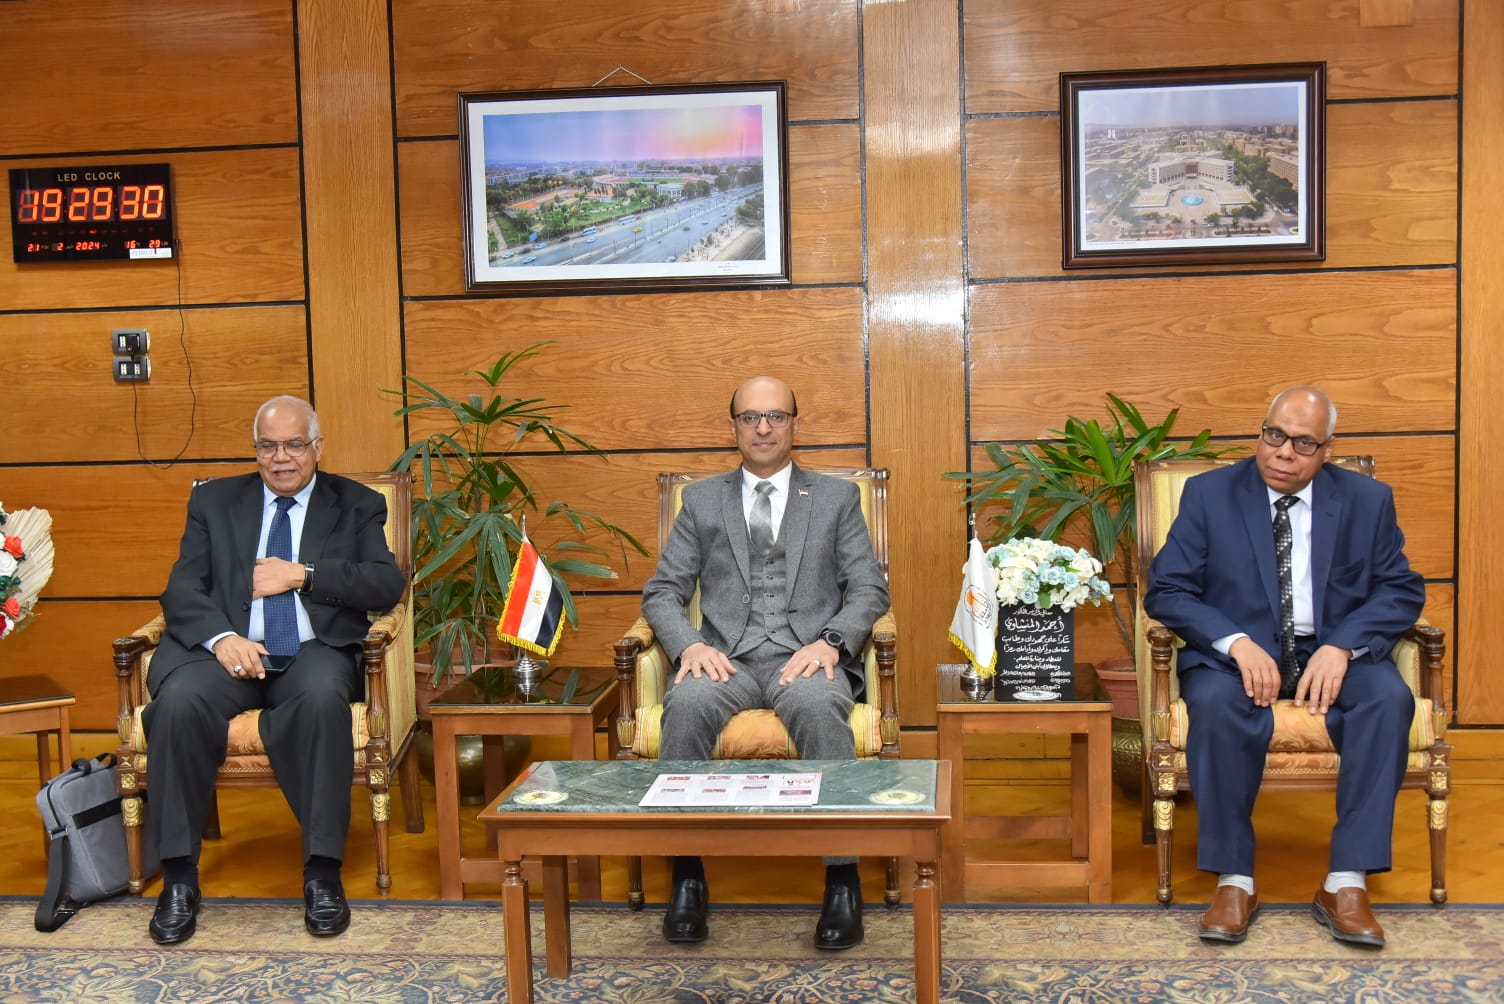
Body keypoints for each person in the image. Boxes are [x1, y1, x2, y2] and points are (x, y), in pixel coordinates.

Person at [1144, 386, 1424, 949]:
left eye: (1303, 443)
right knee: (1215, 705)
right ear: (1262, 430)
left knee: (1387, 699)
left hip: (1330, 651)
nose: (1283, 453)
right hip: (1237, 656)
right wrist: (1235, 642)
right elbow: (1168, 589)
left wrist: (1342, 647)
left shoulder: (1367, 500)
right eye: (1274, 435)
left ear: (1327, 449)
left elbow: (1400, 589)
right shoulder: (1210, 495)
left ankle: (1346, 882)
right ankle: (1235, 881)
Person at [141, 395, 406, 945]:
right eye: (268, 447)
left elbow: (385, 584)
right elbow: (182, 587)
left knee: (321, 700)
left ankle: (322, 874)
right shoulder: (214, 501)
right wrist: (221, 639)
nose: (280, 458)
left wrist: (303, 575)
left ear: (318, 447)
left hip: (312, 649)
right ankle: (180, 880)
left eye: (293, 445)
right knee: (178, 704)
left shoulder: (355, 503)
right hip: (230, 651)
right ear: (256, 450)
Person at [641, 376, 890, 950]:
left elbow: (869, 589)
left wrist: (831, 642)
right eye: (750, 417)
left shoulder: (835, 498)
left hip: (805, 658)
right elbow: (662, 592)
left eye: (776, 416)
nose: (763, 428)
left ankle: (842, 883)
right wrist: (690, 647)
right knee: (686, 705)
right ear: (733, 427)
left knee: (821, 708)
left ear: (795, 425)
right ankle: (687, 878)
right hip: (725, 659)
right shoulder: (701, 501)